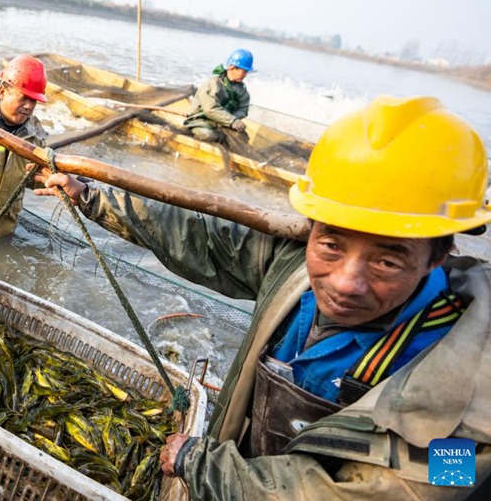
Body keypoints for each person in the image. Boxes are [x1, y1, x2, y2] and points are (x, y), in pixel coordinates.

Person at [33, 95, 491, 498]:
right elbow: (199, 236)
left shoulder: (472, 411)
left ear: (439, 255)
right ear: (311, 227)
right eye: (332, 244)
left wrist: (199, 463)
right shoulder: (292, 264)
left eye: (387, 261)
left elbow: (373, 495)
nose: (347, 282)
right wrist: (90, 197)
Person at [0, 55, 48, 239]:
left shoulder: (35, 136)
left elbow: (32, 178)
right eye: (24, 98)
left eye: (34, 101)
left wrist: (59, 178)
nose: (28, 106)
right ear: (3, 91)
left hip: (3, 232)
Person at [184, 48, 254, 140]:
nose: (245, 74)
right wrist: (232, 121)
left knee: (243, 138)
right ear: (232, 68)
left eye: (247, 72)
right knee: (209, 136)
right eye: (244, 71)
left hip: (223, 123)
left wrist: (234, 121)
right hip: (201, 121)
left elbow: (243, 109)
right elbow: (210, 109)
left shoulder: (242, 90)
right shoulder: (213, 84)